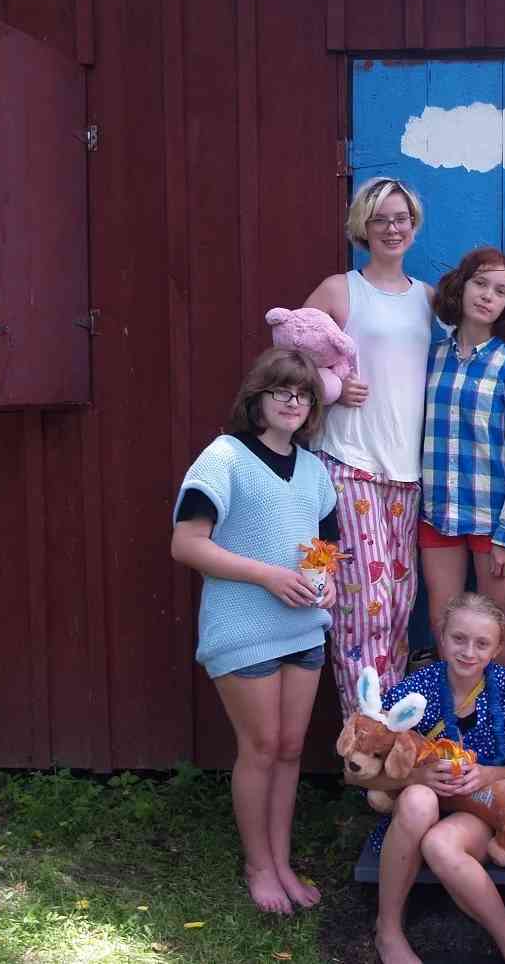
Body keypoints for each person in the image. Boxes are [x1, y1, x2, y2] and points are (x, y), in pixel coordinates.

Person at [170, 347, 338, 915]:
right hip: (243, 628)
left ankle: (282, 861)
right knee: (261, 747)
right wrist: (267, 575)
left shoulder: (314, 470)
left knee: (291, 749)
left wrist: (327, 582)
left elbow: (324, 547)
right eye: (281, 391)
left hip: (304, 629)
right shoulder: (224, 458)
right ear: (257, 399)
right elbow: (187, 543)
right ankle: (257, 865)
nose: (293, 402)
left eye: (304, 394)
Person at [303, 177, 433, 715]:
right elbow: (289, 357)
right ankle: (364, 733)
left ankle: (389, 742)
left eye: (401, 217)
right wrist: (330, 386)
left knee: (399, 607)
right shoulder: (340, 289)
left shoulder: (428, 297)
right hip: (350, 462)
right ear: (363, 226)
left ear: (414, 224)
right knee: (364, 607)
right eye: (380, 218)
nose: (392, 228)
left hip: (408, 473)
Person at [363, 594, 505, 964]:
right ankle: (389, 931)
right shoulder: (417, 688)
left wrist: (487, 773)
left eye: (482, 643)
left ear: (498, 647)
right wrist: (419, 775)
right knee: (417, 799)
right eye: (459, 639)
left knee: (441, 846)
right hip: (417, 807)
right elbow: (369, 767)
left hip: (481, 809)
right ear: (441, 637)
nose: (469, 652)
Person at [421, 247, 505, 666]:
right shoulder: (432, 358)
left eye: (501, 291)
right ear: (462, 285)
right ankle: (452, 727)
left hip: (493, 521)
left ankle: (498, 725)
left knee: (493, 628)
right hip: (439, 513)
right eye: (480, 283)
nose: (488, 296)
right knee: (443, 621)